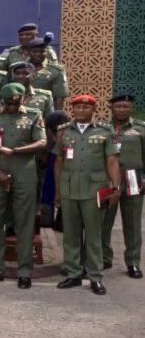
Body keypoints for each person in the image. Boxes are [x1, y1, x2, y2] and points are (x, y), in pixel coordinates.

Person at [54, 94, 122, 295]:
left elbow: (112, 161)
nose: (81, 110)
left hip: (95, 190)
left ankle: (95, 276)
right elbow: (59, 162)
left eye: (86, 107)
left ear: (94, 110)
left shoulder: (104, 131)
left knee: (94, 235)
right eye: (78, 107)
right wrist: (58, 191)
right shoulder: (63, 131)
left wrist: (116, 188)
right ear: (72, 110)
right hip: (69, 189)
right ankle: (73, 274)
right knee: (71, 235)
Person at [0, 83, 46, 288]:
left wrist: (15, 151)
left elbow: (42, 142)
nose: (12, 107)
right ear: (2, 101)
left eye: (16, 104)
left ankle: (25, 271)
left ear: (23, 100)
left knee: (24, 223)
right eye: (8, 104)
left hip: (25, 173)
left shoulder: (34, 114)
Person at [101, 95, 144, 279]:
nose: (122, 110)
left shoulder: (140, 129)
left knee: (133, 222)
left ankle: (133, 262)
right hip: (107, 180)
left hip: (133, 178)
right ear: (111, 108)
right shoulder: (102, 128)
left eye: (126, 106)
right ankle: (104, 257)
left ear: (131, 108)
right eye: (118, 106)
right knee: (103, 221)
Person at [26, 33, 68, 108]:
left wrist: (57, 118)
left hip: (45, 111)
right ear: (28, 52)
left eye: (42, 51)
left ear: (46, 52)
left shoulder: (56, 71)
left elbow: (59, 98)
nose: (38, 54)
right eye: (34, 51)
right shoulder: (19, 68)